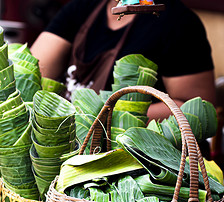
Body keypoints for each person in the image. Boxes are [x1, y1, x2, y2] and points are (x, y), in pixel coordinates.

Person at [30, 0, 217, 120]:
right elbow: (32, 73)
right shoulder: (82, 8)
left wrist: (112, 119)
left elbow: (196, 109)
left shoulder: (178, 23)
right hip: (71, 140)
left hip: (134, 156)